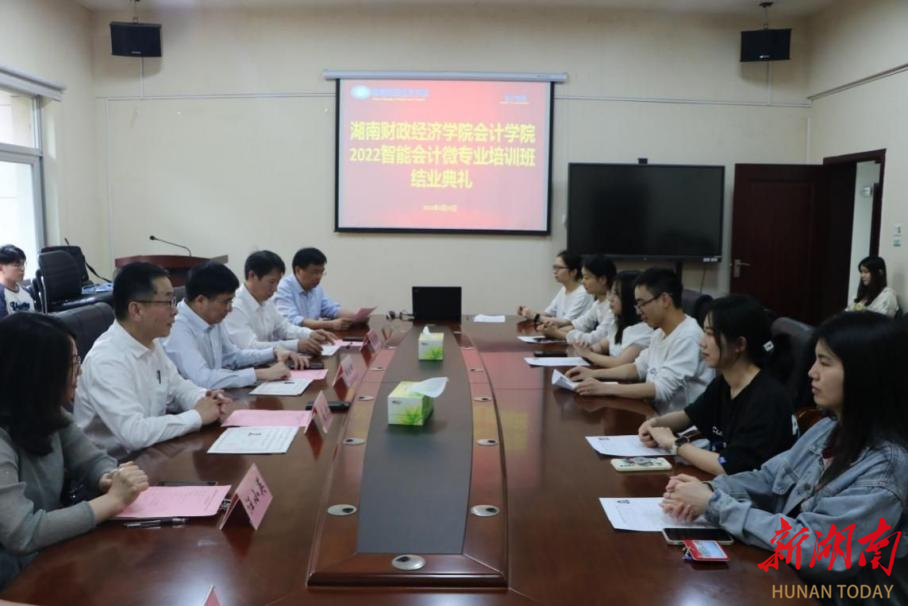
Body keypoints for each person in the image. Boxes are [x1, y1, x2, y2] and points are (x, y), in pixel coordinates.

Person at [661, 312, 908, 602]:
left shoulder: (886, 467)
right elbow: (768, 478)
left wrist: (716, 505)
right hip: (785, 577)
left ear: (865, 373)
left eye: (825, 362)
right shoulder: (828, 428)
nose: (811, 372)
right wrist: (711, 489)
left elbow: (819, 551)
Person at [0, 313, 149, 589]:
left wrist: (108, 477)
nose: (79, 373)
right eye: (71, 364)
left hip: (47, 559)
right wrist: (112, 501)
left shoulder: (48, 413)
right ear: (37, 373)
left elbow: (92, 460)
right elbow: (22, 532)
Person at [74, 262, 229, 459]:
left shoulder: (150, 343)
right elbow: (134, 434)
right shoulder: (106, 360)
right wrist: (197, 416)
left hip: (152, 454)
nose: (175, 311)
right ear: (136, 310)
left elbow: (177, 388)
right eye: (167, 302)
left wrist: (204, 399)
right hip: (115, 467)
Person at [637, 294, 796, 475]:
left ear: (739, 344)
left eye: (711, 334)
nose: (702, 343)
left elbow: (728, 466)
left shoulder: (767, 399)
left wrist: (675, 444)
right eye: (704, 332)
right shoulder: (726, 382)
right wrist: (655, 424)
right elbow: (688, 416)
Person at [566, 268, 713, 413]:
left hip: (676, 425)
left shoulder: (688, 336)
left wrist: (605, 388)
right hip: (653, 414)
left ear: (665, 300)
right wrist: (593, 374)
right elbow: (637, 368)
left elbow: (660, 389)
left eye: (642, 303)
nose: (638, 310)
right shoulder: (660, 333)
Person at [164, 261, 305, 389]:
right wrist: (260, 374)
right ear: (201, 300)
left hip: (215, 396)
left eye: (231, 301)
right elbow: (203, 379)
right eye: (226, 302)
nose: (230, 308)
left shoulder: (211, 318)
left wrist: (273, 352)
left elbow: (232, 357)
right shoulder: (177, 326)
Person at [224, 251, 336, 356]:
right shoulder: (234, 306)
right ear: (252, 275)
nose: (275, 289)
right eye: (271, 282)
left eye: (277, 282)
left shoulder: (265, 300)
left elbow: (284, 327)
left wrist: (310, 334)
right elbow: (250, 347)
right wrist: (295, 345)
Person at [573, 270, 653, 368]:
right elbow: (602, 346)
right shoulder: (618, 323)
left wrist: (588, 354)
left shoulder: (644, 330)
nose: (610, 298)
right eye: (611, 292)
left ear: (630, 298)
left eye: (616, 294)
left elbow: (619, 363)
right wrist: (589, 348)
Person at [274, 247, 361, 331]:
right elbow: (292, 320)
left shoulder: (315, 288)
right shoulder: (282, 288)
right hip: (291, 339)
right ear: (298, 270)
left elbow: (332, 309)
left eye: (321, 272)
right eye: (315, 272)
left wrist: (356, 317)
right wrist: (331, 324)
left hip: (312, 336)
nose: (319, 277)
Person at [540, 254, 616, 345]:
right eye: (583, 277)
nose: (583, 281)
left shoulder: (614, 305)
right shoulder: (597, 304)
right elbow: (578, 325)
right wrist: (551, 330)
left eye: (587, 278)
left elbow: (595, 339)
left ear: (602, 279)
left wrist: (557, 333)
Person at [517, 250, 592, 324]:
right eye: (554, 267)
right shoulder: (563, 289)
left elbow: (566, 322)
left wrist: (535, 317)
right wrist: (528, 313)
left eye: (559, 268)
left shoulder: (583, 293)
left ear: (573, 272)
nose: (555, 271)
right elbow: (548, 313)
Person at [0, 245, 35, 317]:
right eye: (17, 265)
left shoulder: (27, 292)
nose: (22, 269)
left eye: (23, 264)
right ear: (1, 267)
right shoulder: (1, 295)